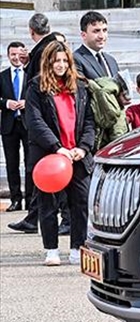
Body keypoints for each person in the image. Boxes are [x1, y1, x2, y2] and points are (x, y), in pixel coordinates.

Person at [23, 40, 96, 266]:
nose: (61, 65)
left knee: (81, 202)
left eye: (65, 61)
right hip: (49, 156)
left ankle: (77, 248)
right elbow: (35, 122)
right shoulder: (36, 87)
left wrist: (83, 148)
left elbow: (90, 122)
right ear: (48, 62)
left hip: (76, 155)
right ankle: (51, 249)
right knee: (48, 204)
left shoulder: (81, 87)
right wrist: (57, 148)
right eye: (56, 61)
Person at [7, 16, 58, 233]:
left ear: (31, 31)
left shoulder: (47, 49)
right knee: (37, 169)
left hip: (42, 121)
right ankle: (33, 216)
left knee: (38, 169)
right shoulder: (45, 49)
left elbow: (42, 84)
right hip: (38, 122)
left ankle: (56, 218)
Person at [75, 11, 129, 150]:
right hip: (93, 130)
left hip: (116, 128)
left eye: (105, 30)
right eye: (96, 31)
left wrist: (122, 97)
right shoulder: (76, 59)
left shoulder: (111, 60)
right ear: (83, 34)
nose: (102, 36)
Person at [2, 42, 28, 212]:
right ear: (8, 55)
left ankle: (32, 200)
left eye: (20, 54)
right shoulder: (2, 76)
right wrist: (6, 103)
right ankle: (15, 200)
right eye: (13, 54)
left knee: (30, 163)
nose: (16, 57)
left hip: (28, 124)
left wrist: (27, 102)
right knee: (12, 164)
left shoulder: (31, 74)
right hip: (8, 125)